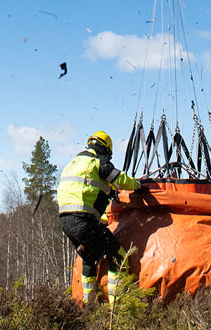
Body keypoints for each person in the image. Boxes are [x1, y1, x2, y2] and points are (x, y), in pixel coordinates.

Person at [56, 131, 142, 305]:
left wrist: (109, 194)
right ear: (105, 149)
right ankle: (116, 308)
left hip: (66, 222)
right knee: (118, 256)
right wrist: (138, 185)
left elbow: (86, 189)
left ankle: (88, 306)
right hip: (83, 221)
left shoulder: (75, 163)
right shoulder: (98, 163)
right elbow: (119, 178)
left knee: (88, 258)